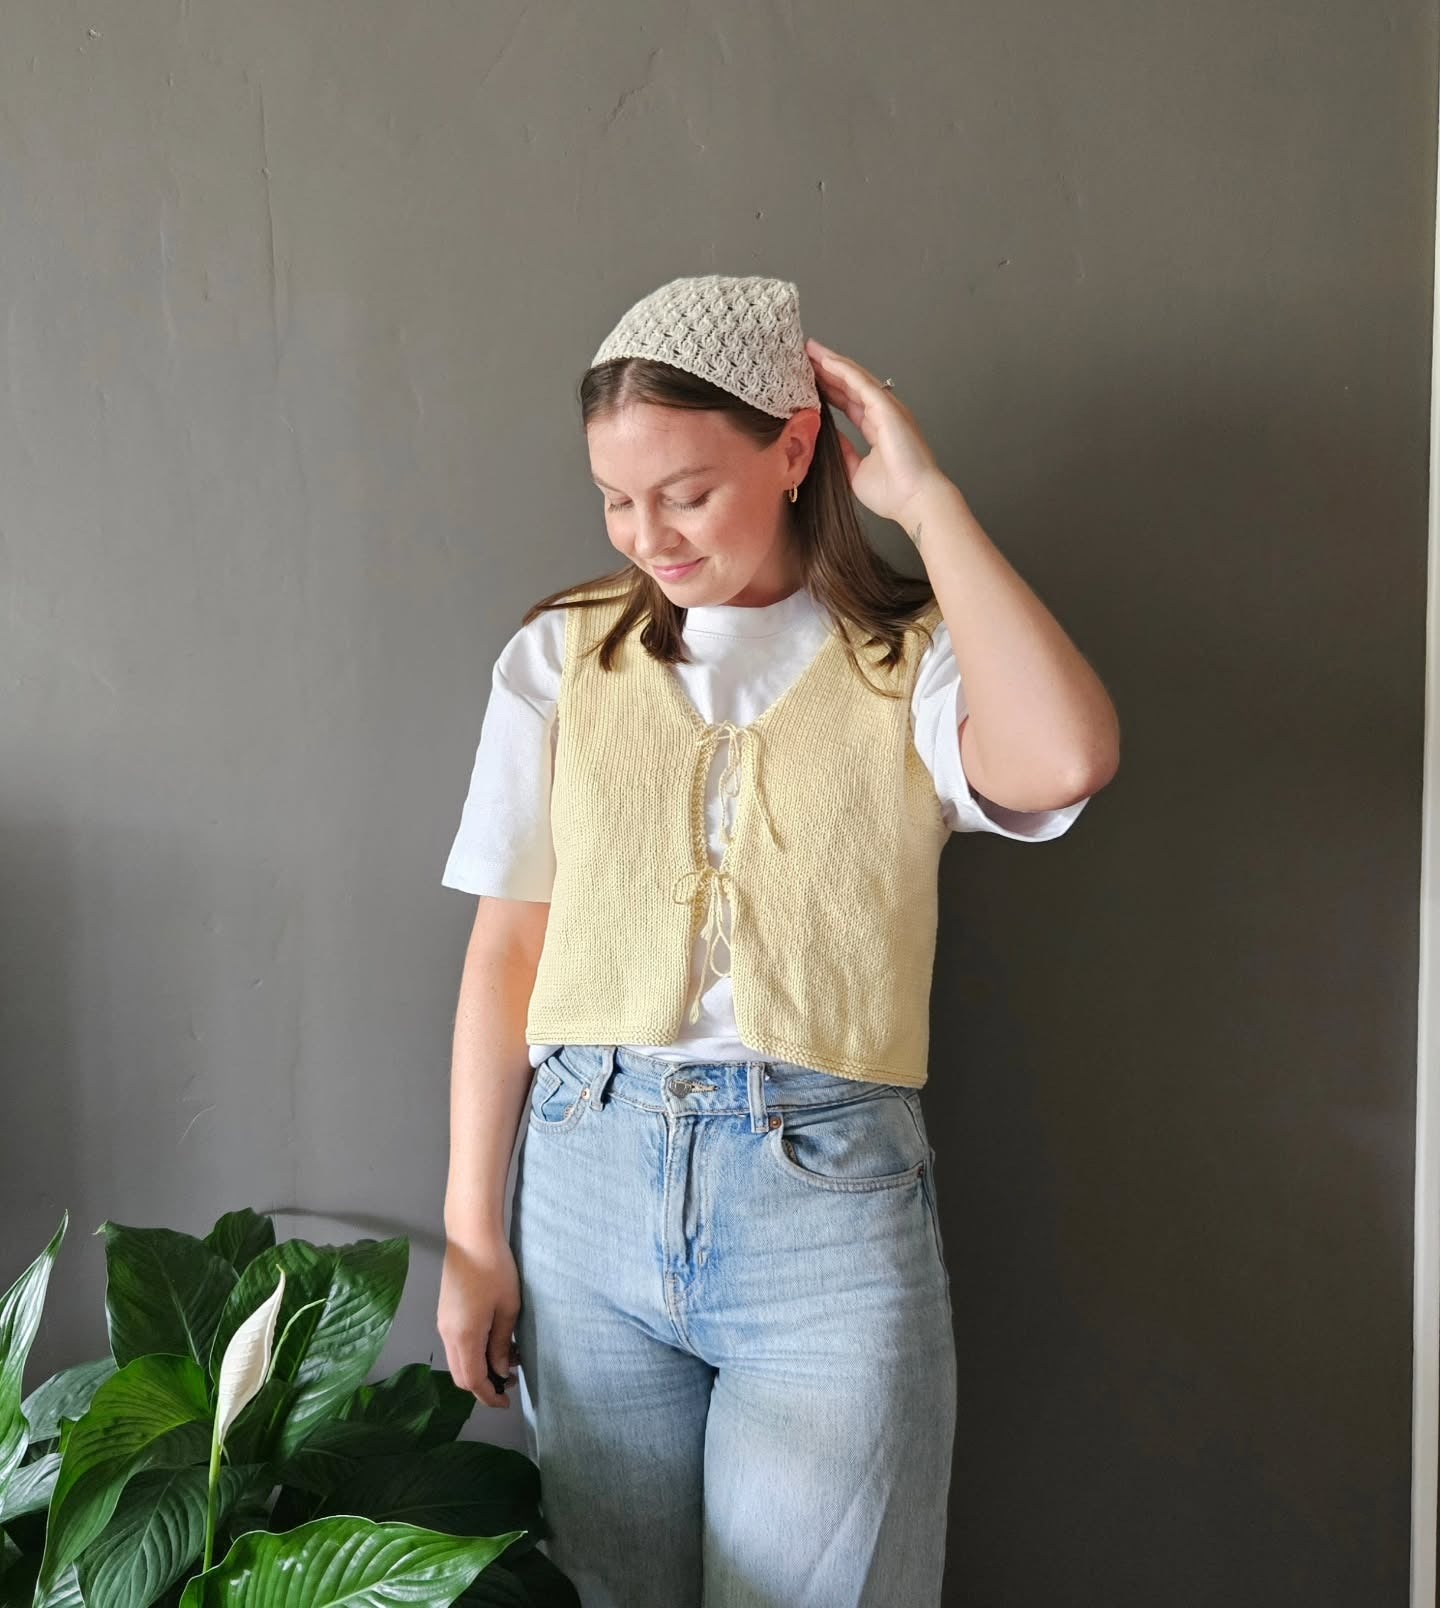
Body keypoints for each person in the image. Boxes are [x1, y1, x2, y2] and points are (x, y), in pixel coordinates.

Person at [436, 274, 1119, 1607]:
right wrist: (475, 1234)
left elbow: (1069, 756)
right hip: (583, 1184)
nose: (650, 535)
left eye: (686, 491)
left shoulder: (911, 660)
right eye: (618, 500)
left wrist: (926, 503)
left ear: (796, 445)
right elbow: (506, 955)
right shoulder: (559, 658)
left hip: (826, 1202)